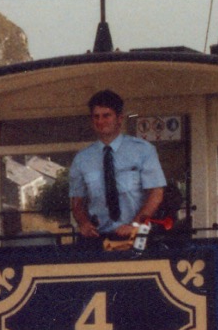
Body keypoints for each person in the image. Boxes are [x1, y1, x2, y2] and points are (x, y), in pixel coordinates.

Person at [69, 90, 166, 239]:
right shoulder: (82, 159)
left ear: (120, 118)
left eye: (106, 115)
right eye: (96, 116)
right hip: (97, 238)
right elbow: (77, 202)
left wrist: (134, 225)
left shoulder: (143, 150)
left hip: (136, 235)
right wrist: (83, 223)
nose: (100, 121)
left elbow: (156, 193)